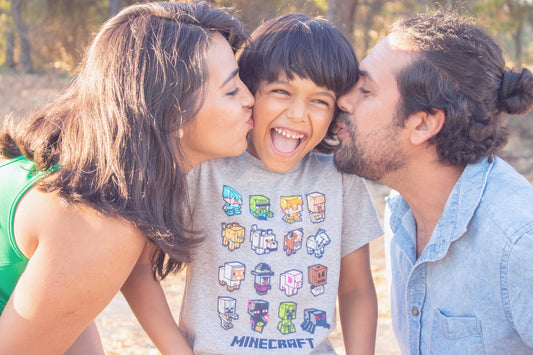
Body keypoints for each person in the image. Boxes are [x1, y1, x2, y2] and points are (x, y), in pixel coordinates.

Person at [0, 2, 254, 354]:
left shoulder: (93, 176)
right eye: (231, 90)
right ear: (171, 115)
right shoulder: (99, 227)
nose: (250, 99)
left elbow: (64, 320)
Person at [177, 14, 383, 354]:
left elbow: (357, 289)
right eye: (281, 91)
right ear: (248, 92)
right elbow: (140, 269)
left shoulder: (340, 180)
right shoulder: (205, 169)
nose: (298, 114)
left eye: (320, 100)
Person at [333, 11, 533, 354]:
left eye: (366, 90)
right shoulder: (402, 215)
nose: (344, 100)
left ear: (423, 125)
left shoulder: (518, 242)